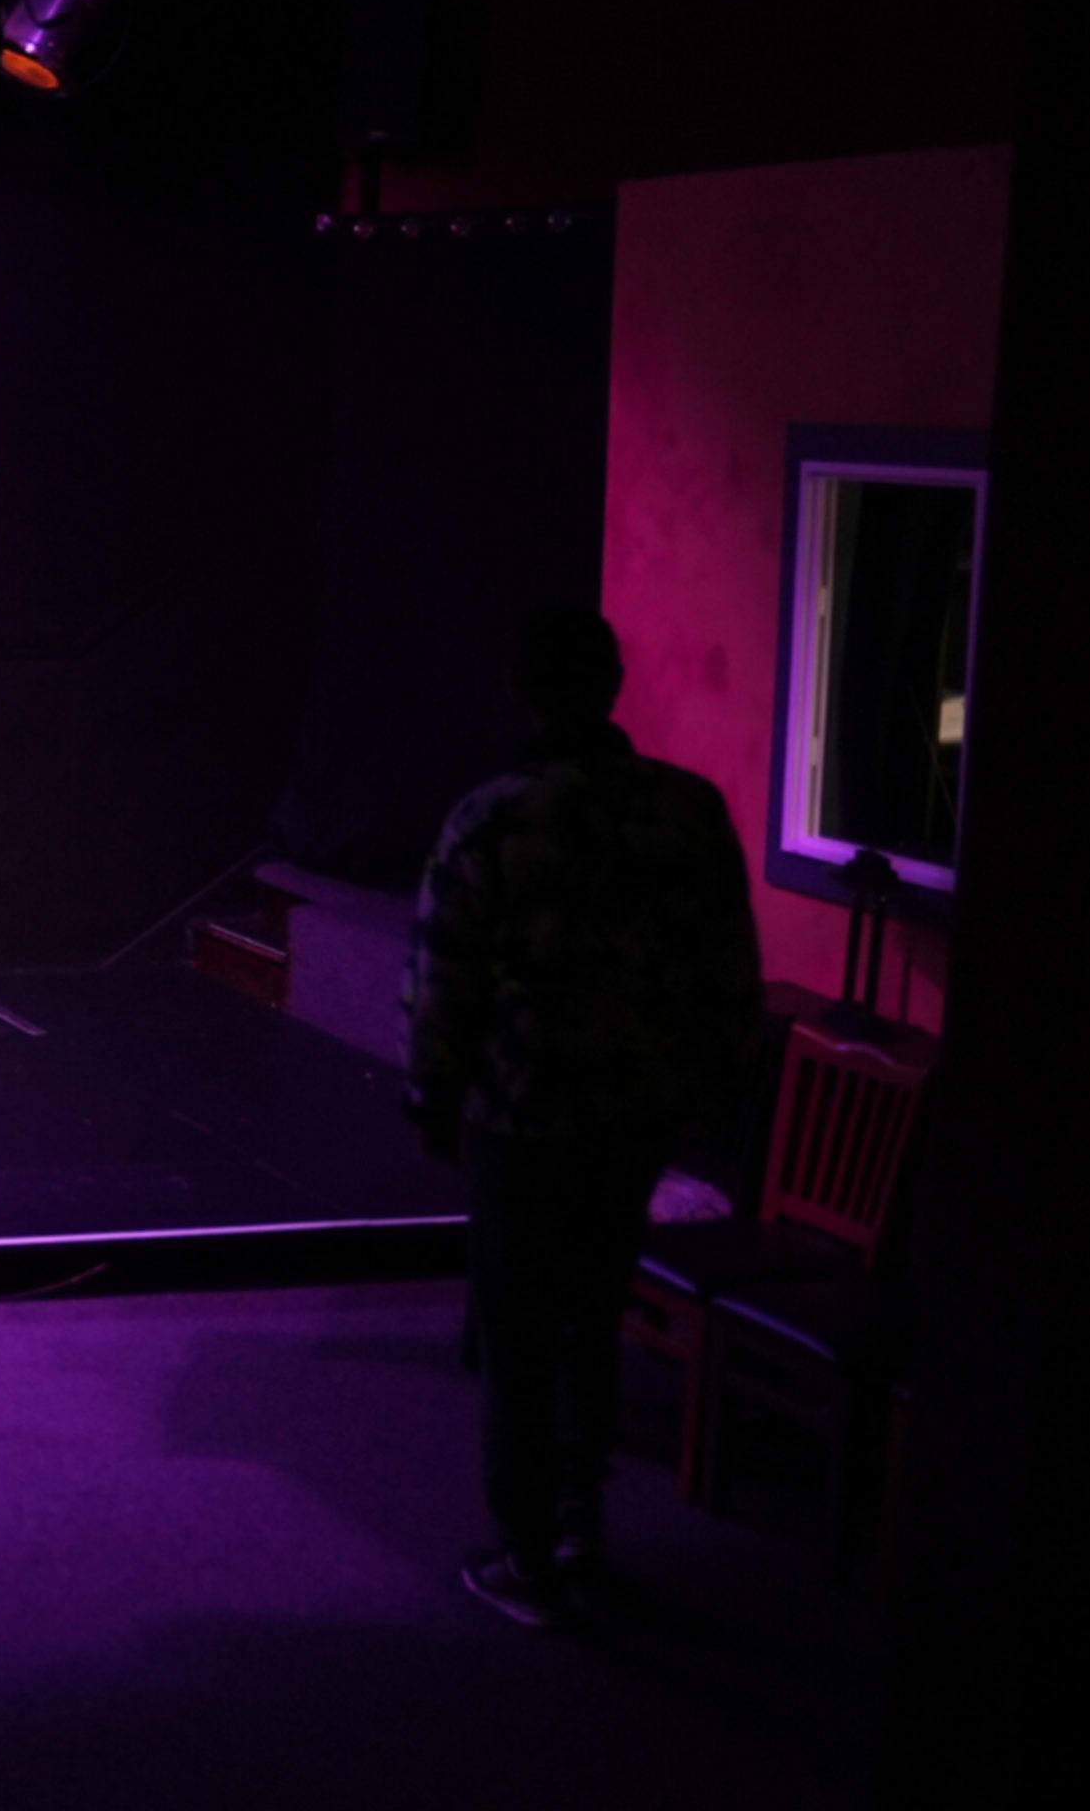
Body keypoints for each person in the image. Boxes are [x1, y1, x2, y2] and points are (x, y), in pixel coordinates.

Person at [403, 606, 766, 1628]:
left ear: (522, 689)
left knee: (519, 1338)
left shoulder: (495, 816)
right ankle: (580, 1527)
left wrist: (430, 1094)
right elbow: (728, 964)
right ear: (612, 683)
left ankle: (528, 1555)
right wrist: (713, 1082)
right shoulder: (687, 810)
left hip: (519, 1120)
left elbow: (444, 977)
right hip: (635, 1114)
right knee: (592, 1323)